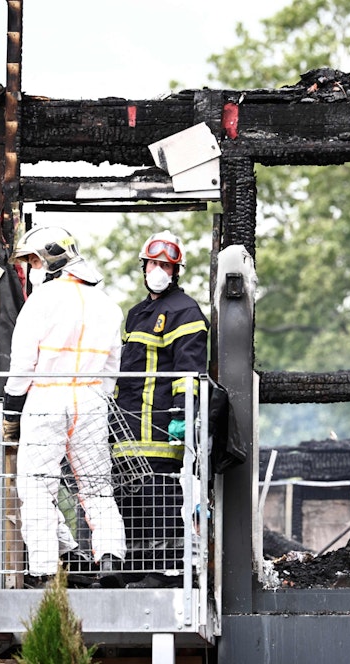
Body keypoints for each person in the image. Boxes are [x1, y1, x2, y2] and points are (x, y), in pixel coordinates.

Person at [2, 225, 126, 587]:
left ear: (51, 259)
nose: (33, 269)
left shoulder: (42, 300)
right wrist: (96, 400)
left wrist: (12, 409)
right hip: (90, 400)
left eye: (34, 261)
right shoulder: (108, 304)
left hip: (47, 397)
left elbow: (23, 362)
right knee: (97, 487)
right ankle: (110, 559)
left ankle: (42, 570)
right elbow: (111, 369)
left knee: (37, 486)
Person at [111, 230, 209, 589]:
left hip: (162, 429)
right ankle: (135, 570)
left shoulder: (186, 311)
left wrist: (183, 415)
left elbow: (189, 371)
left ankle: (165, 572)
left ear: (176, 270)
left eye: (166, 264)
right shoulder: (137, 314)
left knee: (161, 501)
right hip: (128, 429)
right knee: (130, 501)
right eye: (153, 262)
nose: (158, 269)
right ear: (144, 266)